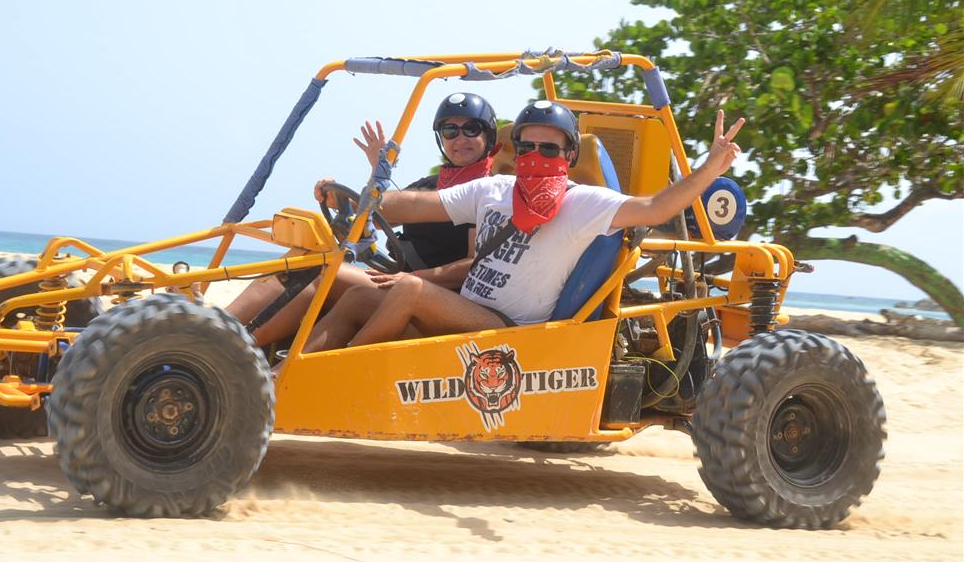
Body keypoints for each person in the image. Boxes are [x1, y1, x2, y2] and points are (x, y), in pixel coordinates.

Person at [297, 100, 746, 352]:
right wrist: (362, 195)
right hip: (462, 314)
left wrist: (709, 169)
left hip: (512, 329)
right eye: (527, 146)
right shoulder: (495, 189)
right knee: (359, 295)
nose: (536, 157)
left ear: (569, 156)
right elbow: (412, 205)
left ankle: (330, 377)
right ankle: (284, 380)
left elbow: (653, 207)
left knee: (408, 289)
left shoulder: (585, 202)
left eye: (549, 150)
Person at [226, 92, 500, 347]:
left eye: (471, 129)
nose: (459, 138)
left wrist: (411, 278)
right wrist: (360, 184)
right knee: (304, 258)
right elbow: (373, 219)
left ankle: (225, 342)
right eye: (450, 130)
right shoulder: (429, 185)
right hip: (396, 276)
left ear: (487, 135)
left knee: (319, 272)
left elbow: (472, 265)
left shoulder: (489, 193)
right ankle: (226, 330)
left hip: (431, 296)